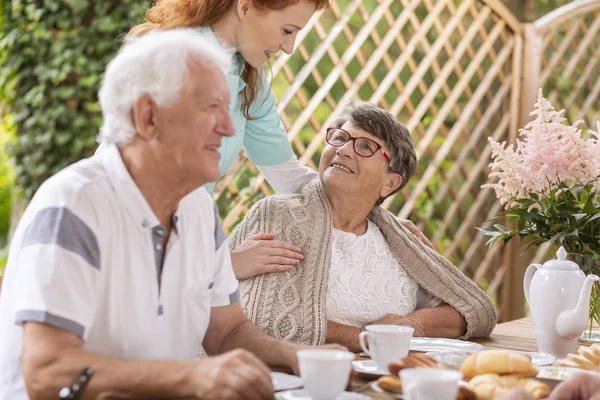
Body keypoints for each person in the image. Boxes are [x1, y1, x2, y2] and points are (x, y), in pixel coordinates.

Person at [0, 29, 341, 400]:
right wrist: (189, 377)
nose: (229, 129)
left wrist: (293, 354)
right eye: (212, 109)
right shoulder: (73, 206)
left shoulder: (199, 210)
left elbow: (226, 331)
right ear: (148, 117)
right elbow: (48, 371)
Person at [126, 0, 433, 280]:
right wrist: (225, 264)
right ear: (245, 7)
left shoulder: (248, 78)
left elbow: (289, 176)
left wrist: (379, 220)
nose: (289, 47)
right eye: (287, 30)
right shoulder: (169, 63)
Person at [230, 101, 497, 350]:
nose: (344, 149)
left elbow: (476, 310)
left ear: (391, 183)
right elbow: (266, 318)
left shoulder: (397, 238)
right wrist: (369, 338)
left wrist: (413, 325)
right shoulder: (280, 215)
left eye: (366, 147)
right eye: (339, 138)